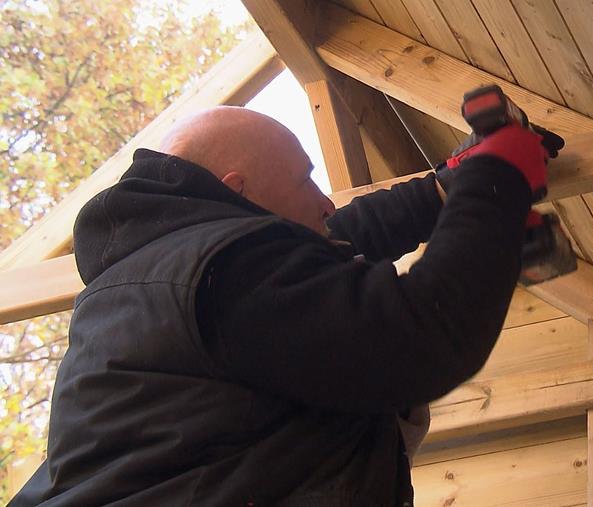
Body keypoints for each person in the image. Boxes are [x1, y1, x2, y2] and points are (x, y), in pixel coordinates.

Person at [11, 105, 556, 506]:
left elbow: (329, 243)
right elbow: (420, 334)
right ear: (239, 191)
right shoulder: (219, 271)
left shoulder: (170, 275)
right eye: (305, 179)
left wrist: (447, 191)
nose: (325, 199)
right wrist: (495, 180)